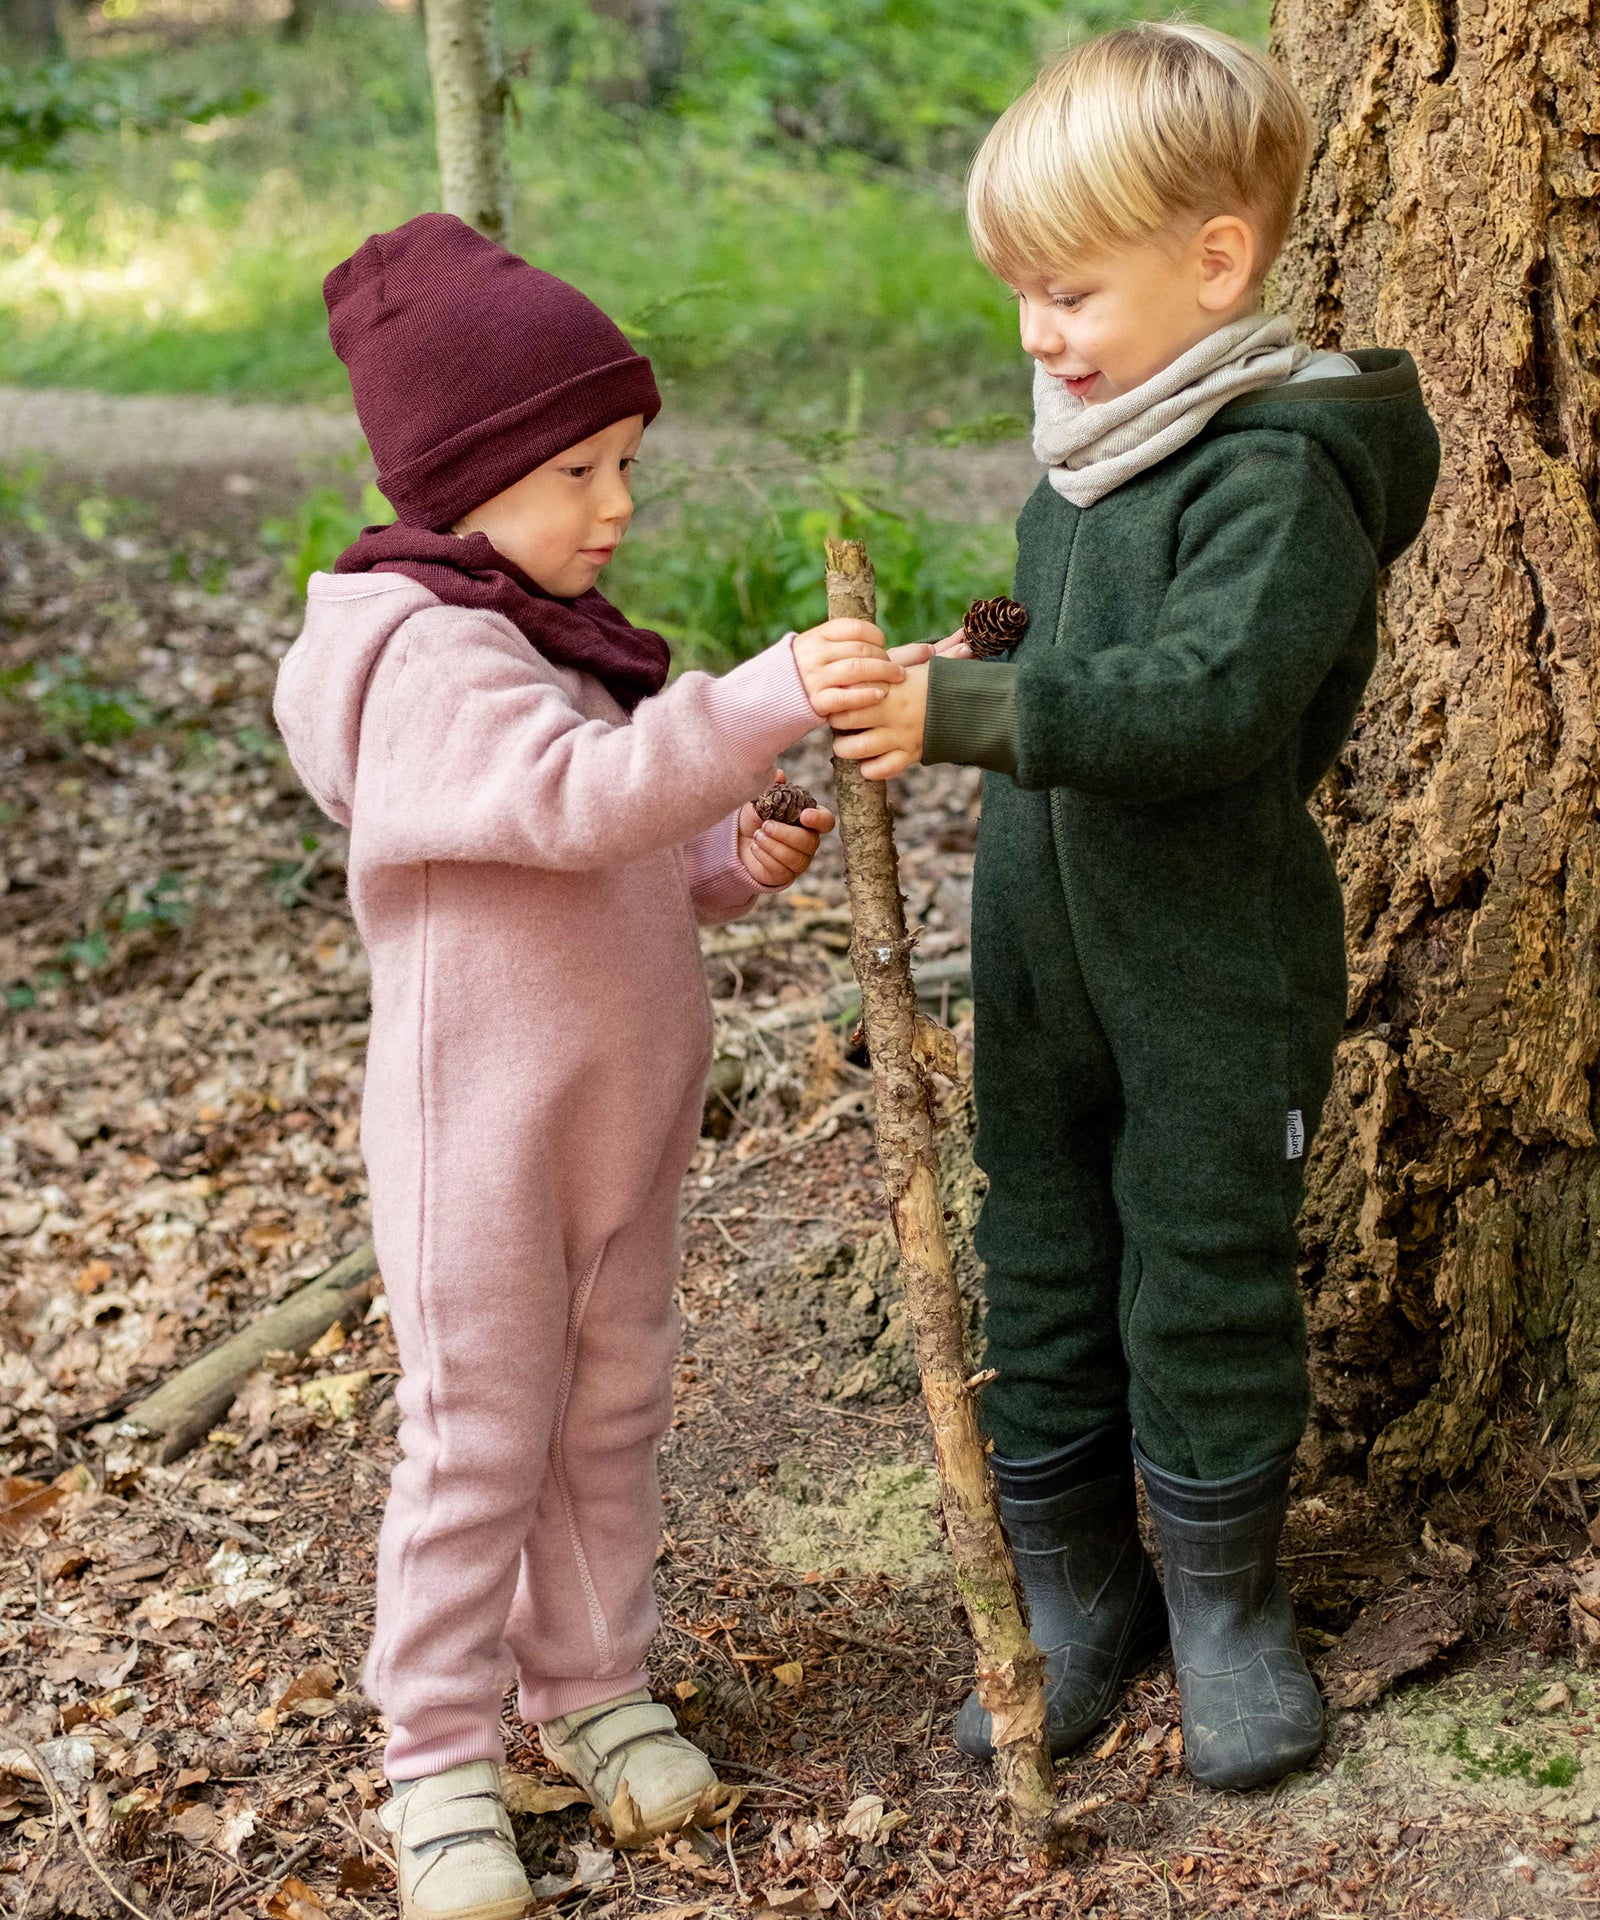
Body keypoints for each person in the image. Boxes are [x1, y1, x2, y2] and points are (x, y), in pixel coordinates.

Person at [274, 212, 922, 1920]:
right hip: (478, 1129)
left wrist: (736, 859)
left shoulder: (554, 635)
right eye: (578, 470)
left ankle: (591, 1686)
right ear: (464, 479)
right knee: (483, 1429)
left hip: (621, 1108)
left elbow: (631, 845)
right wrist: (763, 694)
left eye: (625, 461)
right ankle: (434, 1760)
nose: (615, 505)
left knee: (612, 1405)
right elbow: (567, 801)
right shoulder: (420, 656)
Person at [831, 24, 1439, 1790]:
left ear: (1217, 262)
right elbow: (1084, 652)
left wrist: (973, 719)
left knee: (1205, 1264)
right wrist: (979, 657)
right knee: (1044, 1249)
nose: (1036, 332)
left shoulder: (1281, 469)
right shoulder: (1096, 436)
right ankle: (1079, 1582)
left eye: (1067, 290)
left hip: (1208, 961)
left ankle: (1229, 1600)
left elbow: (1210, 699)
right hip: (1041, 955)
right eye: (1017, 290)